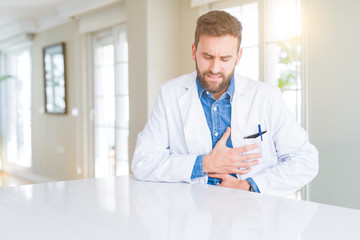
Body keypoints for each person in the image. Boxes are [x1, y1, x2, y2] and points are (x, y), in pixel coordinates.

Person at [131, 10, 318, 196]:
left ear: (238, 56)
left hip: (252, 215)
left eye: (225, 59)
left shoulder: (267, 96)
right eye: (207, 56)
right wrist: (204, 163)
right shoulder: (170, 94)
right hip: (191, 214)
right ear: (194, 51)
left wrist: (248, 185)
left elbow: (305, 160)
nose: (215, 68)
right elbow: (143, 162)